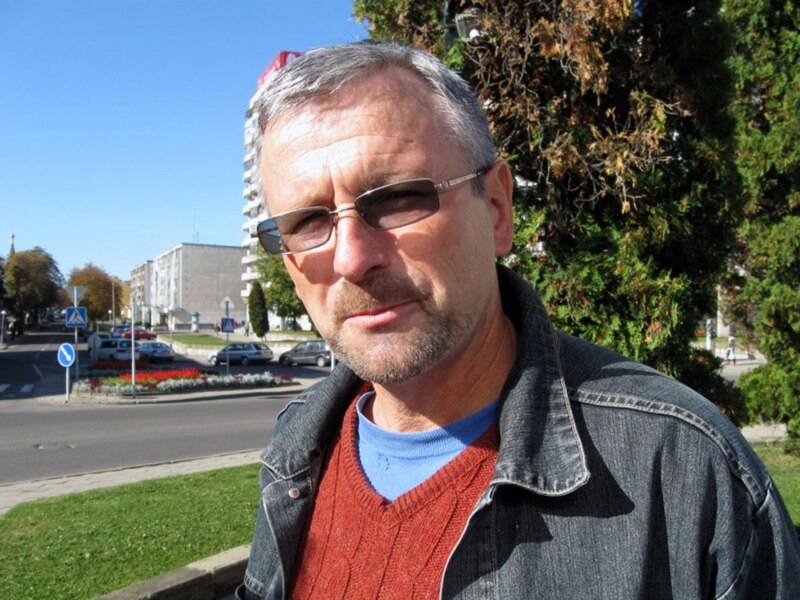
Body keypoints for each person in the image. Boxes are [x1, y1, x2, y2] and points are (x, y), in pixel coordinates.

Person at [238, 41, 800, 599]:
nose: (351, 258)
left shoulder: (684, 471)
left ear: (497, 210)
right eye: (308, 222)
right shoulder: (296, 449)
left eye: (397, 198)